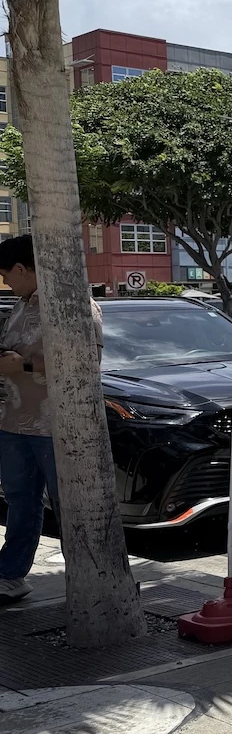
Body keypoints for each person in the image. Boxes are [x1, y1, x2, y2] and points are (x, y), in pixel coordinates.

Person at [0, 235, 102, 604]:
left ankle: (89, 580)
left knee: (69, 505)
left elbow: (86, 363)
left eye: (6, 273)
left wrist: (23, 364)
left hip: (55, 425)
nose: (5, 281)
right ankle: (10, 574)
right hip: (13, 421)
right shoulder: (19, 306)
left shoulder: (72, 305)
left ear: (22, 268)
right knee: (20, 500)